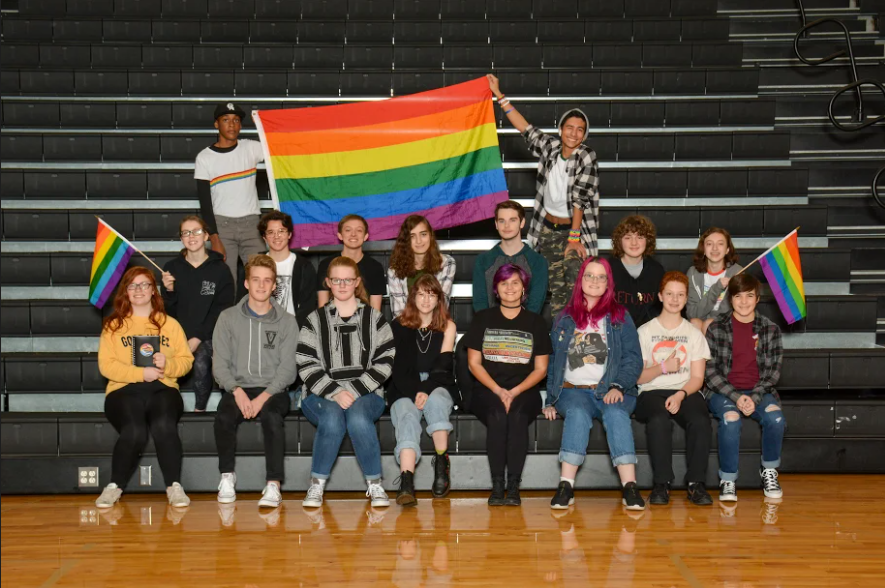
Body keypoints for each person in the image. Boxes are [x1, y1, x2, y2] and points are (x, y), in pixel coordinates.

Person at [487, 74, 600, 316]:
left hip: (573, 231)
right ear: (561, 130)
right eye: (569, 127)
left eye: (580, 130)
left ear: (584, 135)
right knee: (552, 292)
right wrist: (499, 95)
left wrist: (574, 237)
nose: (574, 133)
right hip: (547, 230)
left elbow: (580, 199)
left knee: (575, 287)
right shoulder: (550, 148)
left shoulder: (586, 156)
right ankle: (557, 341)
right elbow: (524, 128)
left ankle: (578, 338)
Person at [542, 257, 645, 511]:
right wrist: (551, 399)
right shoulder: (564, 318)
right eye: (589, 275)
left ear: (608, 283)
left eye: (601, 277)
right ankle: (566, 485)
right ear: (581, 280)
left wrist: (618, 386)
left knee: (616, 413)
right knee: (576, 413)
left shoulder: (620, 317)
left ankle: (630, 486)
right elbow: (554, 360)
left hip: (612, 389)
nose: (595, 281)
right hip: (573, 391)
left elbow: (633, 359)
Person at [297, 257, 396, 508]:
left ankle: (375, 485)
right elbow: (307, 364)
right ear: (328, 283)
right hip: (319, 394)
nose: (342, 285)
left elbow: (385, 362)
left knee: (358, 417)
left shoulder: (375, 319)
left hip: (367, 394)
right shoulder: (314, 320)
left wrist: (351, 390)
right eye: (337, 280)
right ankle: (316, 486)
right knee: (332, 417)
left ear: (357, 282)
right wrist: (335, 392)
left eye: (348, 280)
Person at [94, 267, 194, 509]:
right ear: (126, 292)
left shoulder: (170, 324)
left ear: (153, 290)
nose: (139, 290)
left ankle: (174, 486)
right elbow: (106, 366)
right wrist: (141, 373)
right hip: (123, 390)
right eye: (132, 285)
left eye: (144, 284)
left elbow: (187, 361)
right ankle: (114, 486)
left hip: (163, 389)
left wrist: (167, 364)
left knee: (163, 425)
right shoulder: (113, 326)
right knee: (135, 431)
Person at [212, 254, 300, 509]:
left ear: (274, 286)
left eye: (267, 281)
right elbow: (220, 365)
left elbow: (288, 370)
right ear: (247, 283)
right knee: (224, 416)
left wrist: (263, 397)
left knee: (272, 417)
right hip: (237, 386)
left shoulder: (286, 321)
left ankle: (274, 484)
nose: (262, 286)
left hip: (273, 390)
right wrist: (237, 391)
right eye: (256, 280)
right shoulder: (227, 318)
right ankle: (227, 477)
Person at [463, 263, 552, 506]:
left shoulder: (536, 323)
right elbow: (474, 364)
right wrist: (498, 390)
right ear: (496, 289)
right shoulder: (482, 319)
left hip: (525, 391)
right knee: (498, 415)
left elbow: (541, 369)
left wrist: (514, 391)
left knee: (517, 416)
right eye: (504, 283)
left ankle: (513, 486)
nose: (510, 288)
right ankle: (497, 486)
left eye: (515, 282)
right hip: (487, 390)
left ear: (524, 289)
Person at [704, 273, 785, 502]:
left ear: (757, 299)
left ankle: (769, 470)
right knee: (731, 418)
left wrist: (755, 396)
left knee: (776, 418)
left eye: (749, 296)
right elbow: (710, 372)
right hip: (723, 391)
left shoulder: (770, 329)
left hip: (759, 390)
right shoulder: (717, 328)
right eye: (738, 296)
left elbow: (773, 373)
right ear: (730, 299)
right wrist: (736, 397)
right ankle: (728, 479)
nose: (743, 302)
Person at [634, 271, 713, 506]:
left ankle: (696, 484)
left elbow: (698, 378)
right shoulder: (644, 332)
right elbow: (638, 377)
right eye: (669, 293)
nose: (674, 299)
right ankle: (661, 484)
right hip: (651, 391)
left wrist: (680, 394)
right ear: (660, 296)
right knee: (659, 419)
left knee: (700, 420)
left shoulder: (694, 334)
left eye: (680, 295)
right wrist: (664, 368)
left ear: (686, 298)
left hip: (685, 390)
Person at [388, 274, 459, 506]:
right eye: (421, 294)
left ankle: (441, 464)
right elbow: (397, 369)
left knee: (436, 402)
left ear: (439, 298)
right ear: (412, 297)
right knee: (408, 414)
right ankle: (407, 481)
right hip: (404, 384)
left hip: (438, 382)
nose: (426, 300)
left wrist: (426, 390)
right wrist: (415, 391)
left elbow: (443, 365)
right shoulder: (398, 325)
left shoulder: (448, 326)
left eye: (431, 294)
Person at [161, 215, 234, 412]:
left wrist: (197, 337)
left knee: (202, 358)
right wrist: (168, 291)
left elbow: (223, 310)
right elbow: (168, 312)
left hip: (211, 332)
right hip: (179, 333)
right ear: (181, 238)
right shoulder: (171, 268)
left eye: (196, 232)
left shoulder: (221, 269)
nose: (191, 236)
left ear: (206, 236)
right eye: (186, 233)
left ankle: (200, 410)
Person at [194, 102, 266, 284]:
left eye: (236, 120)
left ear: (241, 125)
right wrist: (214, 238)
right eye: (226, 120)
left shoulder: (251, 148)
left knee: (260, 278)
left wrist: (263, 123)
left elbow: (280, 147)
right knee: (227, 282)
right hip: (222, 226)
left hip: (251, 225)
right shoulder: (205, 157)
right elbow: (205, 202)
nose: (231, 124)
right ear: (216, 124)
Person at [473, 200, 549, 314]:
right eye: (502, 221)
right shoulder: (483, 261)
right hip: (489, 328)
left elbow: (535, 306)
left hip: (526, 328)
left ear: (522, 222)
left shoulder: (538, 262)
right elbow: (480, 303)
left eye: (512, 220)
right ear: (496, 224)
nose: (506, 226)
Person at [387, 215, 456, 317]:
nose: (418, 241)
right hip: (407, 327)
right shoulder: (394, 271)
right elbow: (399, 313)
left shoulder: (446, 263)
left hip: (436, 325)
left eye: (423, 234)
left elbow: (441, 306)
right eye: (412, 236)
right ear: (405, 241)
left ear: (430, 236)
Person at [316, 214, 386, 312]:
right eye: (348, 230)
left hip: (365, 324)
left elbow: (376, 311)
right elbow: (322, 307)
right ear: (340, 235)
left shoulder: (375, 267)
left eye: (359, 230)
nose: (353, 234)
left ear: (366, 236)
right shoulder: (326, 265)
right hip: (332, 323)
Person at [258, 210, 317, 323]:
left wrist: (293, 329)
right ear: (264, 237)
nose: (276, 236)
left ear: (289, 234)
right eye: (270, 232)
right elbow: (244, 302)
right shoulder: (254, 265)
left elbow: (308, 306)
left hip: (294, 329)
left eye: (281, 231)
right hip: (260, 328)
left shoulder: (304, 266)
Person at [608, 215, 665, 328]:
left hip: (648, 333)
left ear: (647, 240)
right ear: (619, 241)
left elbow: (661, 309)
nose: (634, 243)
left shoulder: (657, 271)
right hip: (615, 332)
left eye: (640, 237)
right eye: (628, 237)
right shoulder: (608, 269)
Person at [687, 227, 743, 334]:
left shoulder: (737, 272)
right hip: (700, 323)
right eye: (709, 244)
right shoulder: (693, 273)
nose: (715, 248)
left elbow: (734, 311)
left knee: (710, 324)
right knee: (695, 323)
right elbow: (692, 313)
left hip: (727, 325)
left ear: (727, 249)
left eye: (720, 244)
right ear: (703, 249)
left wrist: (709, 321)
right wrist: (717, 288)